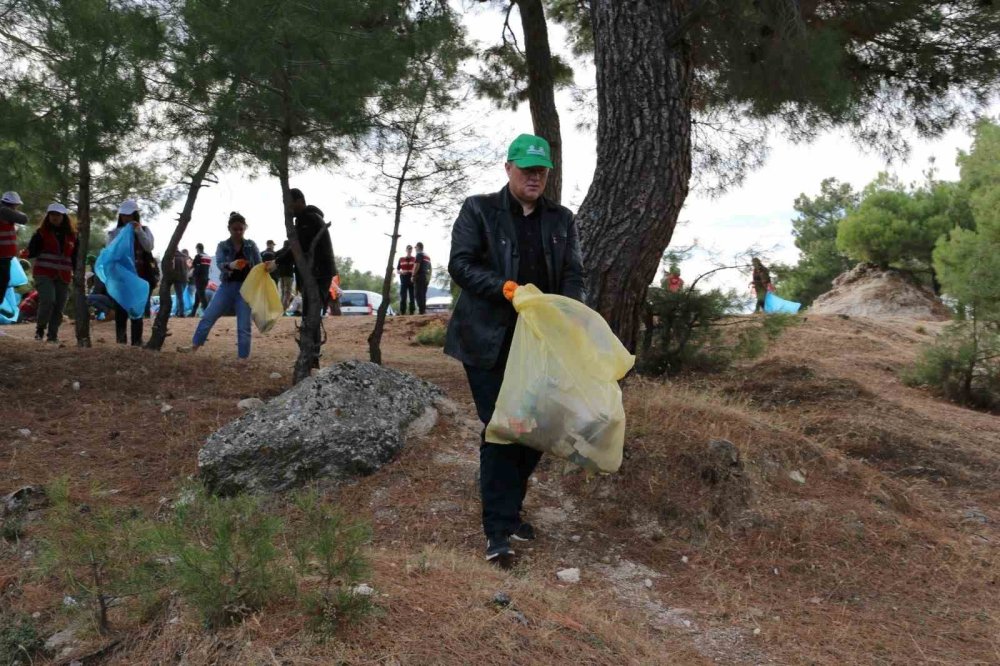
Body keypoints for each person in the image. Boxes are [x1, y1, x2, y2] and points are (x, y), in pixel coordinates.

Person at [445, 134, 585, 564]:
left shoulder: (561, 220)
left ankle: (510, 509)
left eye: (541, 171)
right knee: (503, 428)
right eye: (527, 169)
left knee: (535, 431)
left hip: (540, 343)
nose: (534, 177)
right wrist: (504, 288)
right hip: (487, 339)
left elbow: (574, 275)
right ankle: (498, 529)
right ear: (508, 168)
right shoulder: (478, 209)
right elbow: (461, 264)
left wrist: (568, 313)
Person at [186, 212, 271, 359]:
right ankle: (194, 345)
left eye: (241, 229)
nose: (238, 232)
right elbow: (219, 264)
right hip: (226, 286)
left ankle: (243, 358)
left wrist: (267, 266)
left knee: (244, 325)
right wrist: (231, 265)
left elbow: (259, 265)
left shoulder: (251, 245)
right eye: (235, 229)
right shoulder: (222, 245)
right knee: (208, 316)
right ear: (229, 229)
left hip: (246, 289)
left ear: (245, 228)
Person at [274, 188, 336, 322]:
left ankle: (311, 340)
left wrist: (277, 261)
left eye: (290, 203)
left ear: (301, 201)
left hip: (319, 271)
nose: (288, 207)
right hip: (317, 271)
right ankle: (310, 338)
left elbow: (298, 247)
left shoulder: (308, 218)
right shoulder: (305, 219)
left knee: (311, 311)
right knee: (310, 311)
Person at [27, 203, 78, 342]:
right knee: (48, 300)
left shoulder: (73, 236)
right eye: (52, 214)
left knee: (59, 306)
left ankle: (53, 335)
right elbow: (32, 250)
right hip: (43, 272)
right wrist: (27, 253)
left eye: (58, 215)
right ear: (48, 216)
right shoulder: (40, 233)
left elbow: (75, 257)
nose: (54, 217)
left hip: (64, 275)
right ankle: (40, 328)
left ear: (63, 217)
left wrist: (78, 273)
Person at [108, 199, 155, 346]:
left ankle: (137, 341)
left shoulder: (144, 230)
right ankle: (121, 341)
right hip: (121, 278)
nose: (126, 218)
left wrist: (138, 231)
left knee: (137, 310)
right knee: (120, 310)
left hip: (139, 277)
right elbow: (110, 252)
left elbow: (149, 247)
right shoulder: (114, 233)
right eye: (123, 216)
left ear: (135, 215)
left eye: (129, 215)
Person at [0, 191, 29, 299]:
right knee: (2, 283)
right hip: (2, 257)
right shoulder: (4, 211)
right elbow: (24, 219)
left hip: (5, 256)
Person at [190, 243, 212, 316]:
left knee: (202, 296)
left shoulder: (198, 256)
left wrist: (193, 274)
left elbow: (193, 266)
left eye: (196, 249)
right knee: (198, 295)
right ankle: (193, 313)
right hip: (206, 278)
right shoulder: (208, 257)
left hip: (199, 278)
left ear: (198, 248)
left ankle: (207, 312)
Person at [168, 248, 189, 317]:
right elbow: (189, 267)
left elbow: (172, 268)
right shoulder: (184, 256)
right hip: (185, 278)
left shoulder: (173, 256)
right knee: (180, 295)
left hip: (177, 279)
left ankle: (181, 313)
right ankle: (178, 311)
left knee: (179, 296)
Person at [397, 244, 416, 315]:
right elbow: (398, 270)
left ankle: (412, 311)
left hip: (411, 279)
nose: (409, 250)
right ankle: (403, 311)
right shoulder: (401, 259)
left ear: (412, 250)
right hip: (403, 279)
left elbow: (417, 268)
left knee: (412, 296)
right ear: (406, 250)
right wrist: (401, 272)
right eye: (408, 249)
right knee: (403, 296)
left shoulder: (414, 259)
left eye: (410, 249)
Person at [413, 241, 431, 314]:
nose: (415, 249)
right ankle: (423, 310)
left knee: (417, 294)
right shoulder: (427, 256)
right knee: (423, 293)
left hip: (419, 276)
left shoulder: (419, 254)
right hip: (425, 276)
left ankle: (421, 310)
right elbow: (429, 268)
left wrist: (413, 275)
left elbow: (417, 265)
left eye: (415, 247)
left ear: (419, 247)